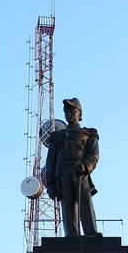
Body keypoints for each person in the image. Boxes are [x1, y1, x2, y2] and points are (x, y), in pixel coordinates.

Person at [44, 98, 102, 237]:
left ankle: (91, 232)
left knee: (86, 202)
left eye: (73, 111)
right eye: (67, 112)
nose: (70, 114)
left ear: (79, 114)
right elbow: (50, 161)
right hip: (63, 173)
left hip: (80, 173)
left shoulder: (89, 134)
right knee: (67, 205)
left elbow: (94, 155)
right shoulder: (57, 137)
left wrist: (86, 166)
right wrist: (50, 184)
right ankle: (71, 235)